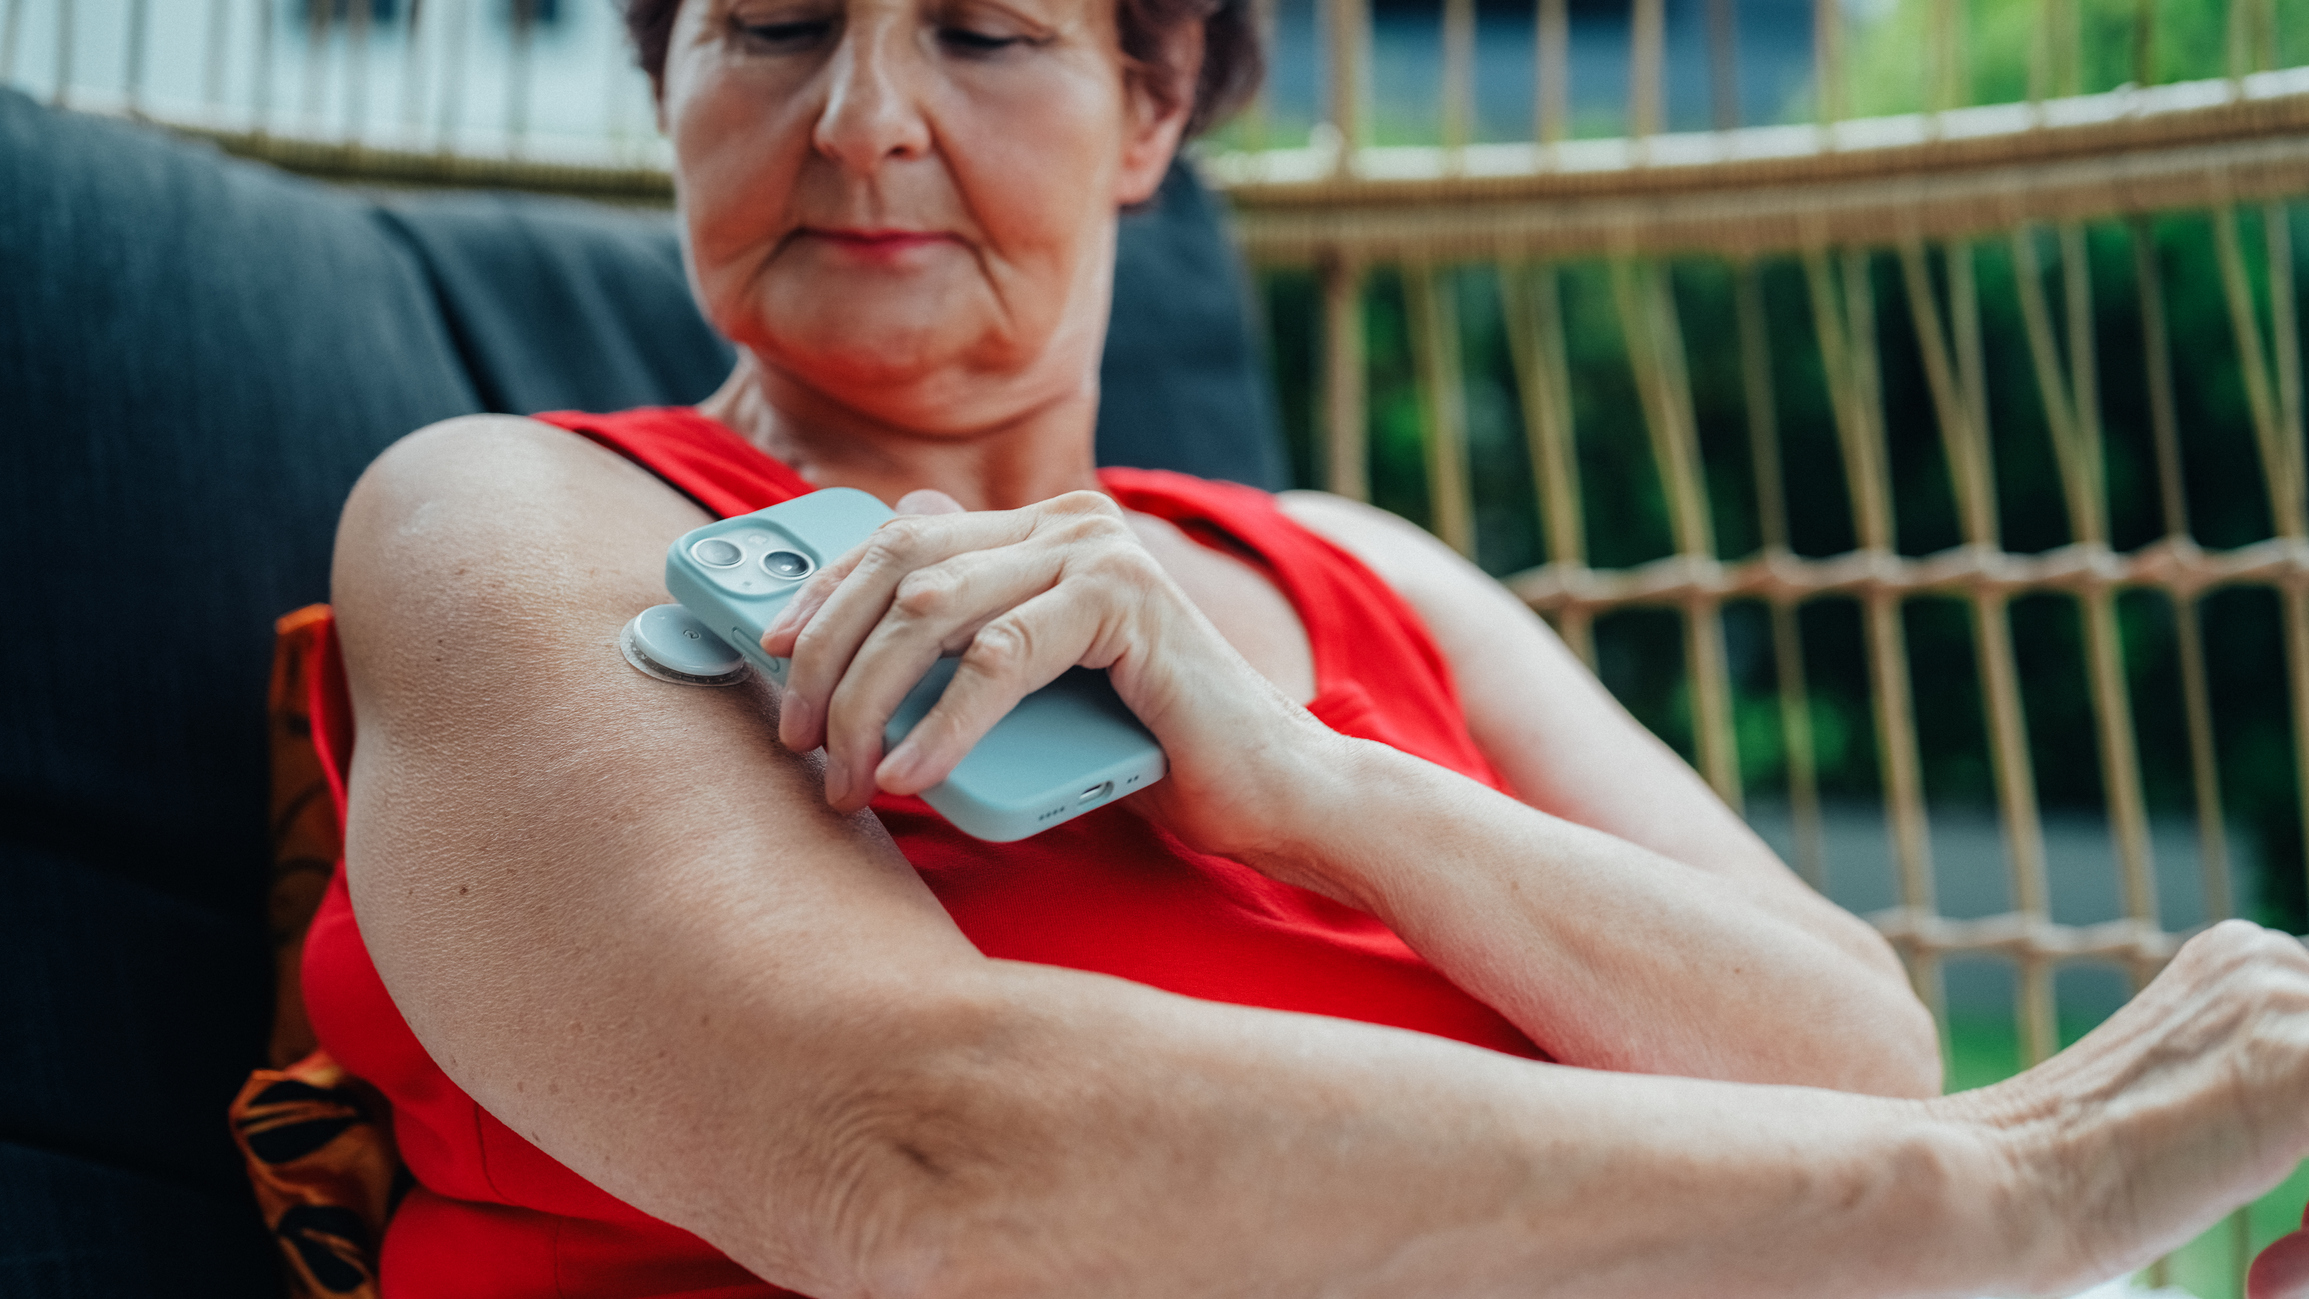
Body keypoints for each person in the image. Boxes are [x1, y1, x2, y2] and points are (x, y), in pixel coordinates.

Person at [309, 0, 2309, 1293]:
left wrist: (1316, 780)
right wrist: (2032, 1178)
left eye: (986, 34)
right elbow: (906, 1152)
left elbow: (1845, 1046)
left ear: (1150, 104)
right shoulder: (517, 517)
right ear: (667, 80)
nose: (862, 121)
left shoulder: (1365, 572)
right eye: (774, 26)